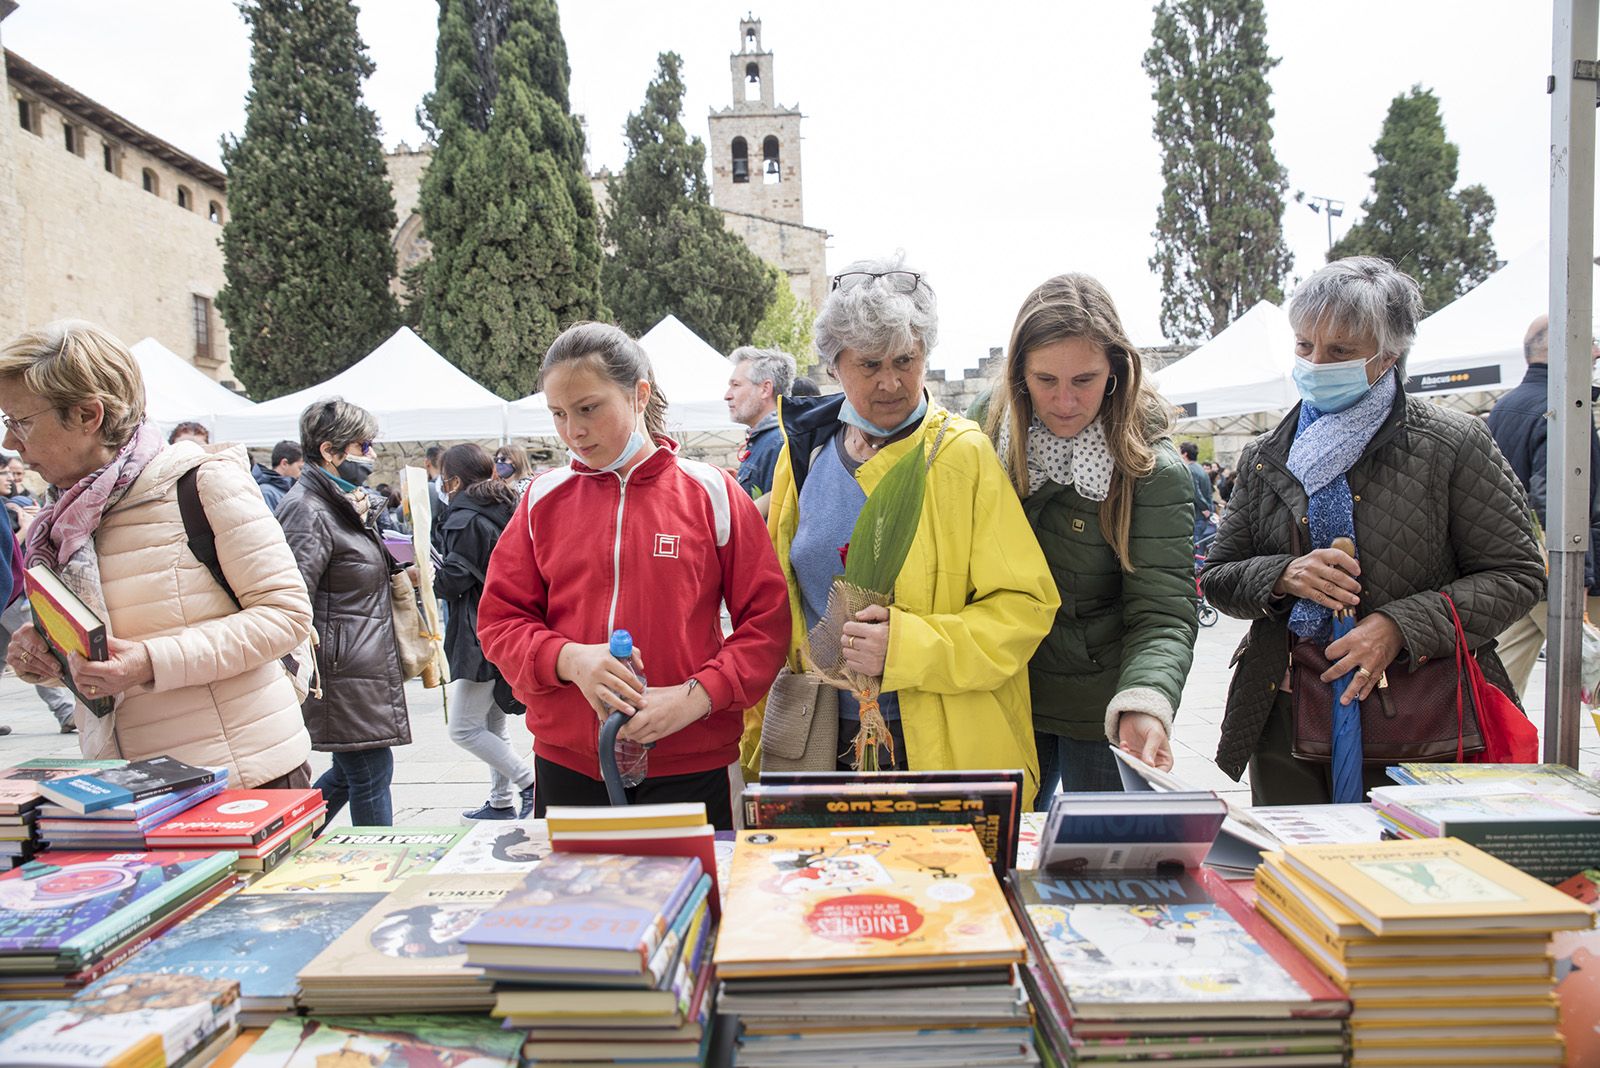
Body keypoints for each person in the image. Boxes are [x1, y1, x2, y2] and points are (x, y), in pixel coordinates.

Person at [1201, 258, 1544, 805]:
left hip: (1422, 716)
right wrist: (1283, 574)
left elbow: (1519, 574)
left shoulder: (1451, 445)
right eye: (1305, 346)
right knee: (1297, 876)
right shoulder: (1268, 454)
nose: (1316, 363)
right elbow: (1218, 576)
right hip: (1286, 710)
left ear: (1388, 356)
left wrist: (1399, 626)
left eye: (1339, 351)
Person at [744, 256, 1058, 805]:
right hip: (822, 740)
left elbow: (1026, 607)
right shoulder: (803, 455)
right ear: (834, 365)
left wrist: (907, 646)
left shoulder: (962, 455)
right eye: (869, 364)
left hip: (942, 746)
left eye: (905, 360)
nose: (891, 381)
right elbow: (776, 606)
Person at [477, 322, 789, 829]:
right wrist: (569, 659)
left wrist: (698, 696)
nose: (573, 431)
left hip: (693, 762)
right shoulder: (540, 500)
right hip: (568, 764)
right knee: (581, 908)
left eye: (588, 408)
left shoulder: (711, 493)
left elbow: (767, 625)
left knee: (701, 904)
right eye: (558, 414)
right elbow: (498, 621)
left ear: (639, 394)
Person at [0, 321, 314, 786]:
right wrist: (49, 657)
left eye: (20, 422)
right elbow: (102, 655)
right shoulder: (65, 514)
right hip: (126, 783)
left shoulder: (201, 482)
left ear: (89, 415)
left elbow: (286, 616)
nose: (10, 443)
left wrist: (148, 662)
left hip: (237, 778)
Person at [976, 274, 1198, 804]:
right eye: (1045, 379)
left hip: (1103, 704)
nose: (1065, 401)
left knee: (1097, 865)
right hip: (1000, 691)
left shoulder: (1153, 470)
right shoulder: (983, 434)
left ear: (1117, 372)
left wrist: (1145, 701)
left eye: (1085, 380)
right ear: (1017, 373)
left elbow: (1163, 612)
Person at [276, 398, 411, 825]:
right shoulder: (307, 509)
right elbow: (292, 596)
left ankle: (291, 833)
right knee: (371, 772)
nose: (370, 456)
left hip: (358, 663)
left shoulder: (341, 505)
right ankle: (381, 867)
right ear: (329, 451)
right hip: (338, 669)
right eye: (362, 445)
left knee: (353, 772)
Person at [1485, 315, 1600, 698]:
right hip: (1555, 559)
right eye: (1591, 344)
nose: (1597, 353)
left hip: (1516, 559)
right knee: (1592, 662)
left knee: (1504, 669)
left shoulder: (1505, 407)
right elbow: (1553, 496)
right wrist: (1578, 577)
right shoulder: (1563, 407)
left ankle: (1488, 747)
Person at [434, 443, 534, 821]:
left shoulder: (462, 517)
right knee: (493, 722)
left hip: (478, 629)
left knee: (462, 728)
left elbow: (454, 580)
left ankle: (528, 783)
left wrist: (426, 573)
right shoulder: (503, 504)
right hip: (506, 624)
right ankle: (501, 800)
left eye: (445, 479)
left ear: (456, 479)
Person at [725, 346, 797, 500]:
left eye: (736, 385)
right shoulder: (767, 440)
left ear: (765, 389)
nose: (727, 395)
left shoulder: (778, 443)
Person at [252, 440, 303, 515]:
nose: (302, 473)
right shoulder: (266, 492)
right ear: (284, 463)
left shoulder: (288, 489)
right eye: (300, 468)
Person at [1179, 441, 1214, 541]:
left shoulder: (1189, 469)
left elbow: (1195, 491)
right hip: (1203, 515)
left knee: (1196, 547)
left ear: (1184, 454)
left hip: (1198, 515)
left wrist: (1204, 508)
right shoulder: (1200, 468)